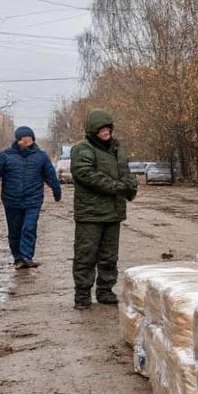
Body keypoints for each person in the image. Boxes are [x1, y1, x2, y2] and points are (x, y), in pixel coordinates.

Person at [70, 109, 137, 310]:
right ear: (93, 130)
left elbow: (125, 172)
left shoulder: (117, 149)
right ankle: (82, 294)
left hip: (113, 212)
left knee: (109, 256)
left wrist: (131, 186)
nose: (106, 131)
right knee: (86, 254)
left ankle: (105, 290)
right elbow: (86, 174)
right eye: (101, 128)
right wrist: (118, 187)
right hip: (90, 213)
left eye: (108, 128)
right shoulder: (83, 149)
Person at [0, 126, 62, 269]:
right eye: (23, 138)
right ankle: (18, 257)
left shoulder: (41, 156)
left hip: (33, 200)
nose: (26, 141)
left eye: (29, 138)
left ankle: (27, 256)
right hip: (11, 200)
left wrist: (57, 191)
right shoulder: (6, 155)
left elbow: (50, 176)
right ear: (17, 140)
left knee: (29, 228)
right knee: (14, 231)